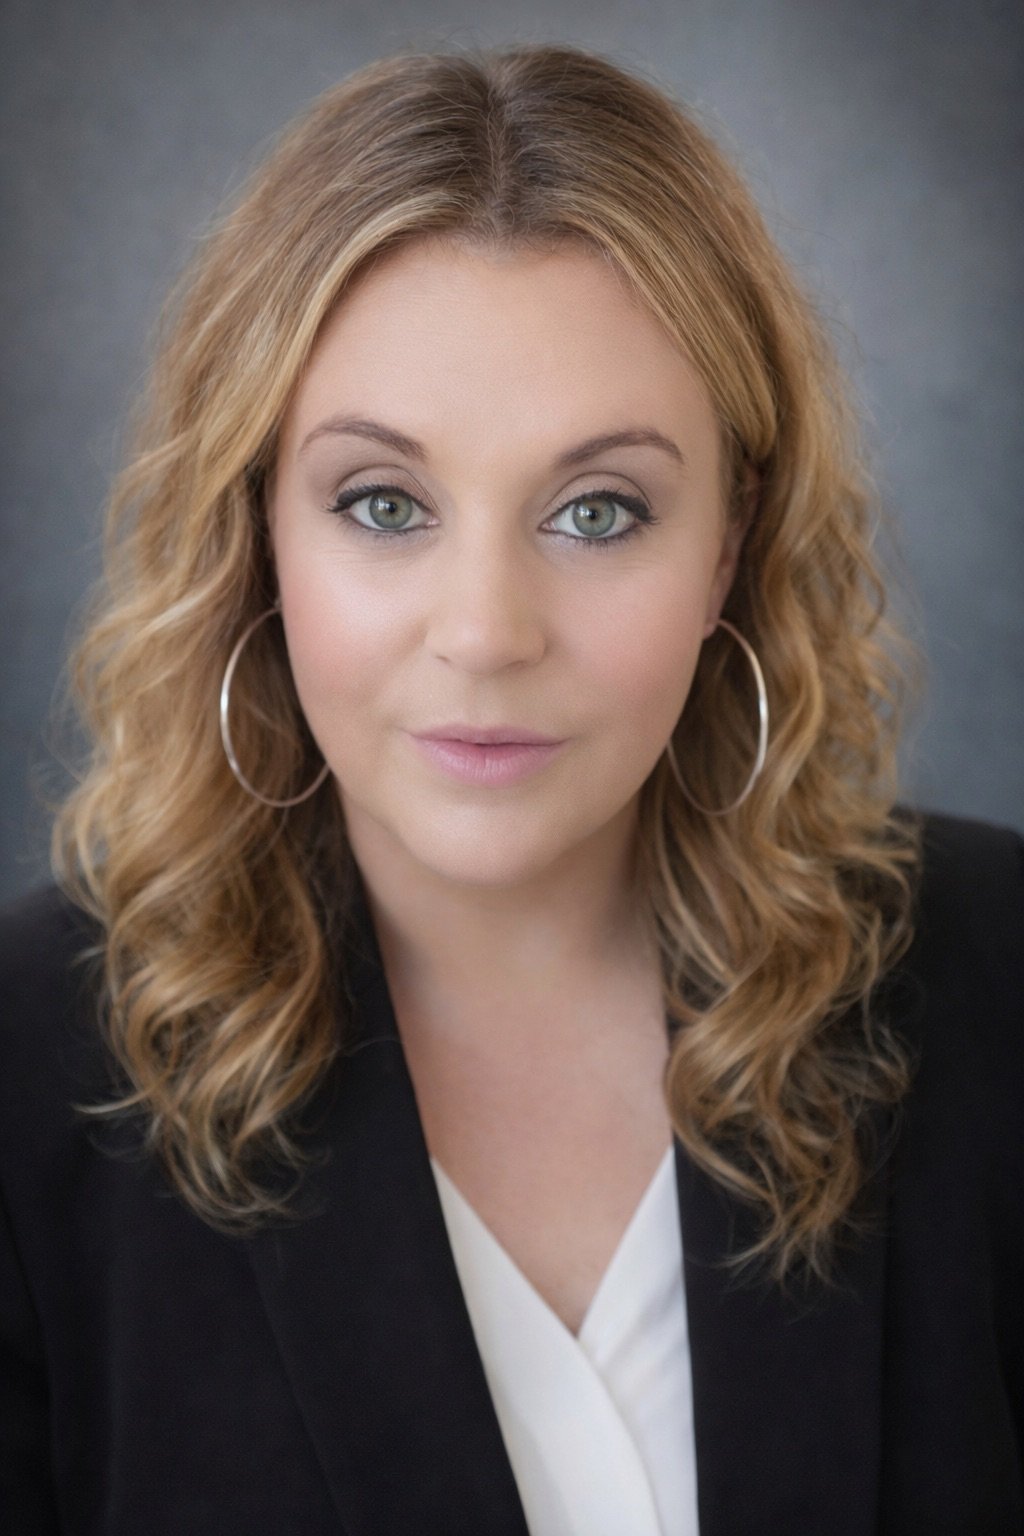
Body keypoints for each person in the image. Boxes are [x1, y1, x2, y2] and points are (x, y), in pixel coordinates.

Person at [0, 43, 1020, 1536]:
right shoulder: (24, 1076)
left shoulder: (998, 980)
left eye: (598, 511)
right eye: (383, 504)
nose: (485, 632)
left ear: (730, 540)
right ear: (256, 540)